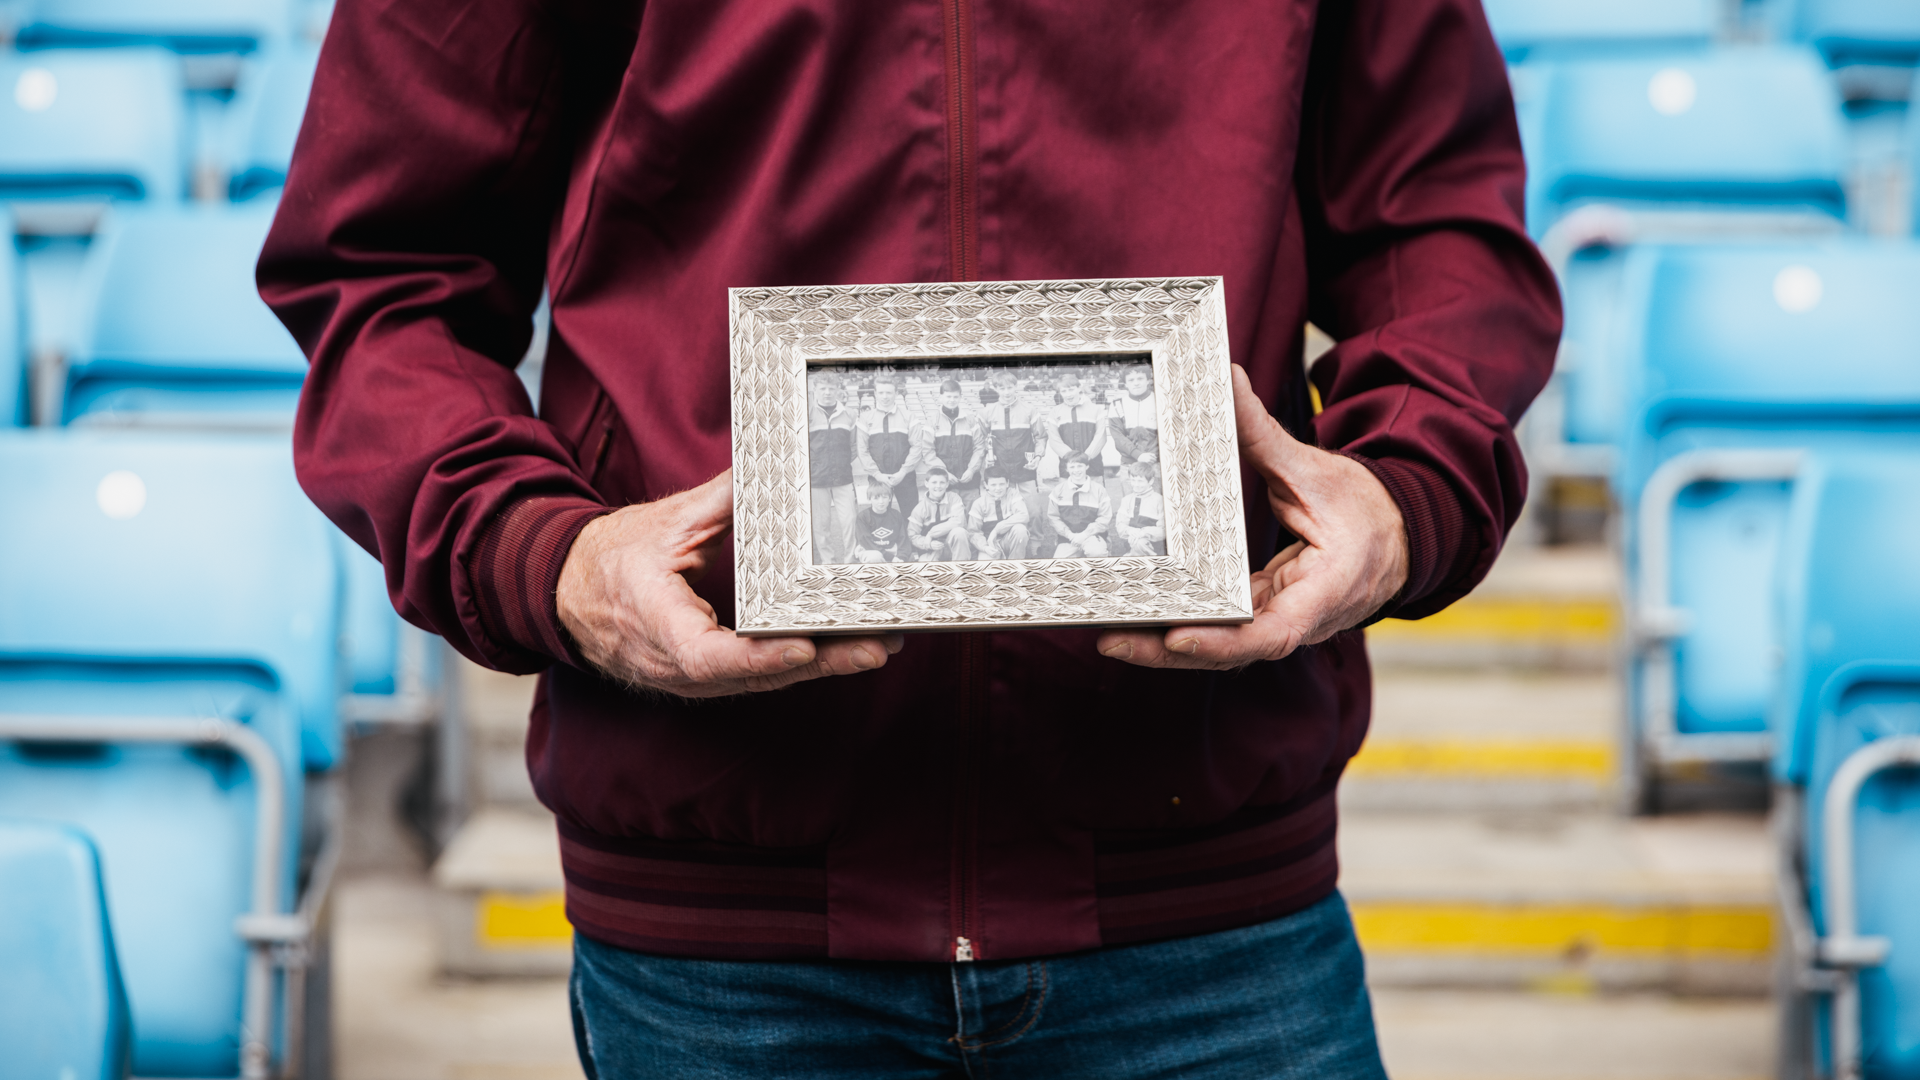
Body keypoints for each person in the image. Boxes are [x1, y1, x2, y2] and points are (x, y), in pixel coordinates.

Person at [259, 0, 1560, 1073]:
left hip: (1211, 922)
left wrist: (1400, 493)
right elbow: (383, 268)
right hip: (725, 943)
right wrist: (550, 557)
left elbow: (1435, 223)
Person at [807, 370, 858, 564]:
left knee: (850, 520)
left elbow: (853, 447)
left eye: (831, 388)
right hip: (817, 480)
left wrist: (840, 463)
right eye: (823, 388)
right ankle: (828, 562)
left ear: (838, 389)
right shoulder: (808, 413)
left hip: (843, 478)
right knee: (821, 524)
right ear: (815, 390)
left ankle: (850, 560)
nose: (827, 392)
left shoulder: (849, 414)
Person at [855, 373, 923, 518]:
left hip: (905, 476)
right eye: (881, 392)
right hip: (877, 477)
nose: (885, 396)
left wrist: (903, 472)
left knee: (911, 516)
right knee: (880, 515)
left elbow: (917, 447)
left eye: (889, 392)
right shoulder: (865, 418)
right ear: (875, 393)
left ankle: (910, 541)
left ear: (896, 393)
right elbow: (862, 450)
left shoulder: (909, 416)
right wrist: (877, 474)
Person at [924, 379, 985, 499]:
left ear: (960, 397)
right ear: (940, 397)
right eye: (948, 396)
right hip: (944, 481)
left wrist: (971, 470)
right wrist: (944, 473)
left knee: (971, 514)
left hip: (969, 480)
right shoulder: (931, 421)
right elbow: (927, 451)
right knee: (949, 515)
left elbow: (979, 447)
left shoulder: (970, 419)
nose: (952, 400)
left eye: (955, 397)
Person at [1044, 372, 1109, 482]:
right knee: (1068, 498)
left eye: (1071, 389)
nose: (1068, 394)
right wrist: (1071, 459)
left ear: (1079, 388)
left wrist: (1086, 457)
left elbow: (1100, 437)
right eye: (1064, 391)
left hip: (1093, 465)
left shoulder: (1096, 410)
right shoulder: (1054, 412)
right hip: (1068, 466)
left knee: (1094, 497)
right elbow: (1054, 440)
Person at [1047, 453, 1113, 559]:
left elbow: (1104, 518)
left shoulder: (1099, 490)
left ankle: (1101, 548)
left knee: (1096, 553)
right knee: (1058, 566)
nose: (1076, 470)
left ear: (1087, 466)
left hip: (1092, 536)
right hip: (1069, 537)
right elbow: (1053, 517)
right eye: (1072, 467)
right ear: (1067, 469)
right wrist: (1069, 535)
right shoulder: (1058, 490)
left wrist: (1084, 535)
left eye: (1080, 466)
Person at [907, 467, 972, 562]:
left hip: (952, 547)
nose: (938, 486)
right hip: (932, 549)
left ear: (947, 484)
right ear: (926, 484)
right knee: (925, 565)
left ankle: (961, 569)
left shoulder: (954, 498)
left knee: (959, 532)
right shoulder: (919, 509)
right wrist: (929, 543)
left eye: (942, 482)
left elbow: (958, 521)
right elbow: (912, 536)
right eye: (934, 482)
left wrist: (931, 533)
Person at [967, 468, 1030, 561]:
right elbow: (973, 532)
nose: (998, 488)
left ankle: (1015, 565)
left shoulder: (1013, 494)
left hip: (1009, 541)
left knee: (1020, 529)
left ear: (1007, 483)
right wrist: (985, 548)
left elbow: (1023, 515)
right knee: (988, 571)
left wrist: (997, 530)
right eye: (993, 485)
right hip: (990, 545)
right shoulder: (979, 503)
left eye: (1001, 484)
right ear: (986, 485)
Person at [1109, 364, 1158, 467]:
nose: (1136, 383)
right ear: (1126, 384)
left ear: (1148, 380)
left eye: (1140, 379)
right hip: (1129, 464)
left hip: (1156, 462)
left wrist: (1151, 457)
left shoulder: (1160, 401)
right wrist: (1138, 455)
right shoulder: (1116, 405)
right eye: (1131, 380)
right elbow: (1118, 437)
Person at [1115, 461, 1166, 557]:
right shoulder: (1126, 500)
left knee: (1140, 543)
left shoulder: (1159, 500)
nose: (1136, 485)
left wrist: (1143, 533)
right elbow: (1120, 526)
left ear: (1150, 481)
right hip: (1131, 544)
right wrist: (1130, 531)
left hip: (1153, 548)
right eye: (1133, 480)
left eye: (1140, 481)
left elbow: (1163, 530)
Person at [852, 481, 908, 564]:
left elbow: (903, 539)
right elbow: (866, 542)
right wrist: (890, 557)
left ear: (890, 498)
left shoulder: (896, 515)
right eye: (876, 498)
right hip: (870, 550)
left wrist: (901, 557)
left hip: (892, 550)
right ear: (869, 499)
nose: (881, 501)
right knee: (875, 557)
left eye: (884, 497)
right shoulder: (863, 517)